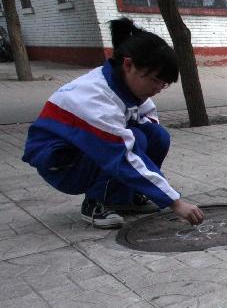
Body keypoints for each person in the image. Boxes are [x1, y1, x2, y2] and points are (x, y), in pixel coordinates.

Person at [22, 17, 204, 229]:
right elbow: (122, 154)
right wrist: (174, 202)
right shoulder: (95, 97)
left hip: (84, 151)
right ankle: (96, 202)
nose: (157, 88)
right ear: (128, 65)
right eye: (154, 80)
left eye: (163, 85)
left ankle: (125, 197)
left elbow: (150, 120)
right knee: (132, 142)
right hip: (61, 163)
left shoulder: (126, 85)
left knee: (155, 135)